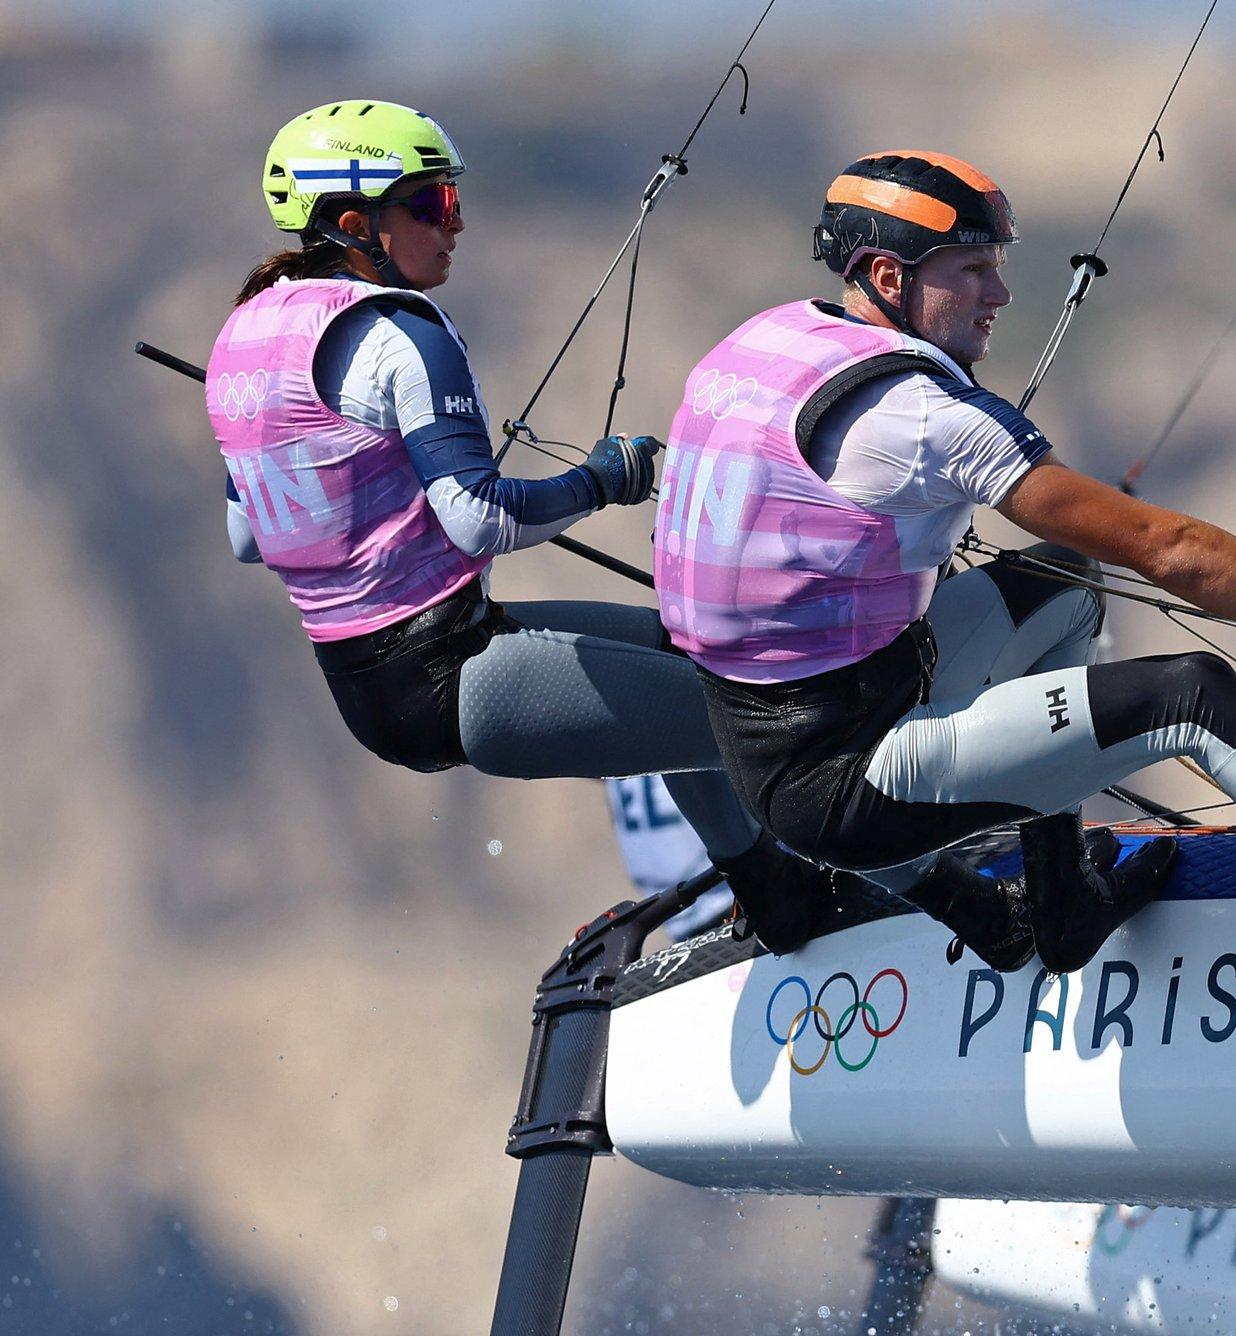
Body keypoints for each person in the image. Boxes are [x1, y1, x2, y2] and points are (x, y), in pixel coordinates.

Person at [654, 149, 1236, 971]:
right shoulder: (921, 420)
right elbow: (1171, 551)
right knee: (1188, 696)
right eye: (972, 270)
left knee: (1067, 580)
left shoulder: (769, 340)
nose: (1001, 293)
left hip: (789, 725)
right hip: (854, 775)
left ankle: (1061, 895)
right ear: (889, 276)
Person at [207, 102, 1000, 948]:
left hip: (383, 675)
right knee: (772, 724)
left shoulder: (245, 333)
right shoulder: (400, 334)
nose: (457, 222)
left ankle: (777, 893)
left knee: (687, 650)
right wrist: (602, 479)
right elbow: (477, 519)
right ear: (355, 223)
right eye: (433, 205)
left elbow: (250, 537)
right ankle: (975, 910)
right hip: (450, 674)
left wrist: (373, 501)